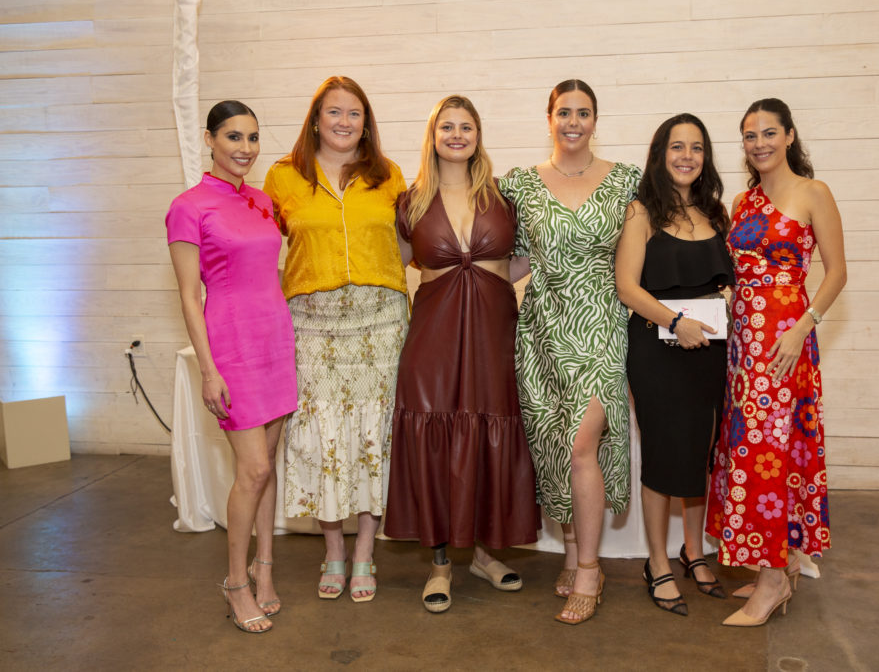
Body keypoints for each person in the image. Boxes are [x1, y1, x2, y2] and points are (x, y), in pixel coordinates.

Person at [384, 95, 539, 614]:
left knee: (488, 432)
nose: (456, 135)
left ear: (478, 135)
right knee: (437, 435)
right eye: (446, 127)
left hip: (493, 331)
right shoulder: (409, 202)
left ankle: (483, 555)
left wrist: (486, 281)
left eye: (465, 126)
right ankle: (442, 563)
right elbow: (394, 266)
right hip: (433, 333)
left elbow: (521, 261)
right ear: (432, 135)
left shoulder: (504, 196)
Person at [499, 79, 641, 625]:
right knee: (555, 442)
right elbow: (511, 265)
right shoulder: (522, 185)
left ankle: (589, 568)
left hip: (602, 323)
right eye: (564, 112)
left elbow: (641, 258)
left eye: (583, 113)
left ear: (595, 119)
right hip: (541, 329)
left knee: (583, 441)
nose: (573, 121)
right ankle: (569, 546)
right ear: (549, 117)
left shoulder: (626, 181)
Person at [263, 77, 408, 603]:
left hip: (380, 323)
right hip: (311, 323)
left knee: (372, 438)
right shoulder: (282, 177)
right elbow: (261, 247)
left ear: (366, 123)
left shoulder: (388, 176)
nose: (344, 122)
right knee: (324, 438)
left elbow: (405, 248)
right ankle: (333, 551)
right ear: (315, 118)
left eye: (355, 114)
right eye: (334, 112)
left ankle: (366, 552)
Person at [706, 98, 847, 627]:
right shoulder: (742, 201)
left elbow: (836, 273)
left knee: (771, 452)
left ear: (789, 135)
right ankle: (777, 564)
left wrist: (803, 326)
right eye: (749, 135)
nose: (759, 143)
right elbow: (734, 272)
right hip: (742, 341)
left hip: (786, 341)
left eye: (769, 133)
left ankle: (770, 584)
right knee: (750, 450)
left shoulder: (814, 193)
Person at [166, 100, 297, 633]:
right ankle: (235, 582)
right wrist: (208, 368)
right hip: (232, 347)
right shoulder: (188, 206)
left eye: (252, 138)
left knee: (268, 467)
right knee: (254, 470)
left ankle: (264, 571)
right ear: (209, 140)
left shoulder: (263, 201)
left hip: (275, 342)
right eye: (234, 137)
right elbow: (187, 294)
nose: (245, 149)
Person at [616, 113, 734, 616]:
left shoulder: (717, 213)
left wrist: (725, 294)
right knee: (665, 456)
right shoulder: (642, 211)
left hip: (710, 353)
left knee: (699, 451)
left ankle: (694, 549)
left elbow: (723, 275)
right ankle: (658, 561)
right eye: (677, 147)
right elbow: (627, 287)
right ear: (660, 155)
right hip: (657, 350)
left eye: (697, 148)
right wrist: (676, 320)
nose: (687, 156)